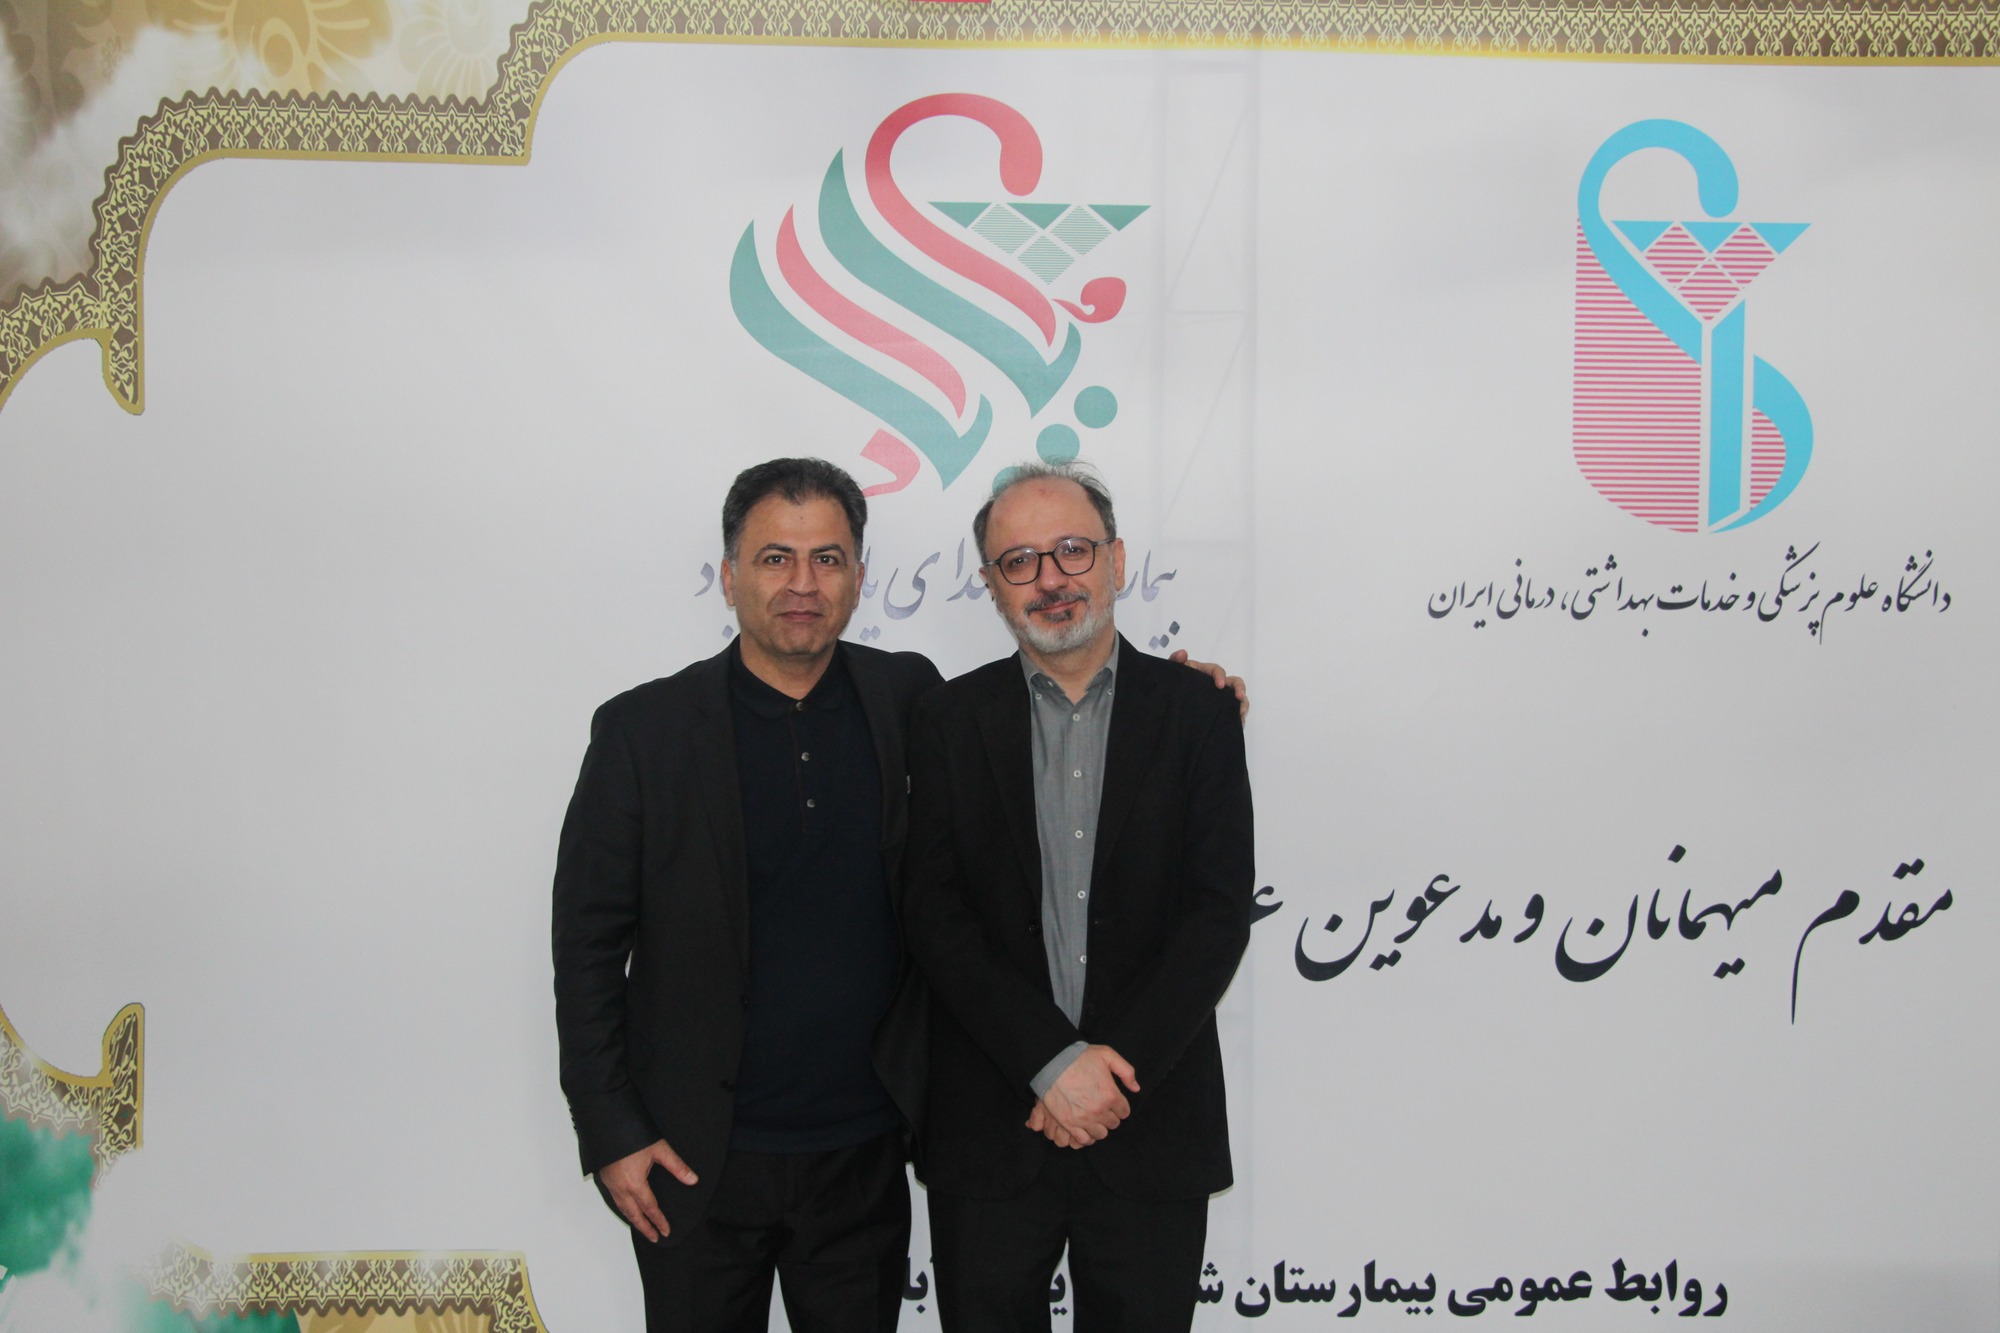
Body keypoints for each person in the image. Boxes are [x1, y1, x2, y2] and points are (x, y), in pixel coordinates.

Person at [551, 457, 1244, 1332]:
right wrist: (610, 1127)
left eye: (828, 558)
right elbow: (586, 943)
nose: (803, 584)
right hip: (695, 1158)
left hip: (864, 1153)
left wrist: (1193, 687)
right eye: (775, 558)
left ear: (858, 576)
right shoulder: (644, 731)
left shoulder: (907, 698)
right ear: (728, 577)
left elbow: (1205, 902)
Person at [903, 462, 1255, 1332]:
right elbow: (934, 915)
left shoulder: (1199, 711)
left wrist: (1110, 1070)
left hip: (1150, 1121)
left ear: (1117, 559)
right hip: (992, 1127)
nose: (1051, 578)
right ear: (992, 585)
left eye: (1072, 549)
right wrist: (1053, 1062)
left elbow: (1217, 913)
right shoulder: (945, 721)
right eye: (1019, 561)